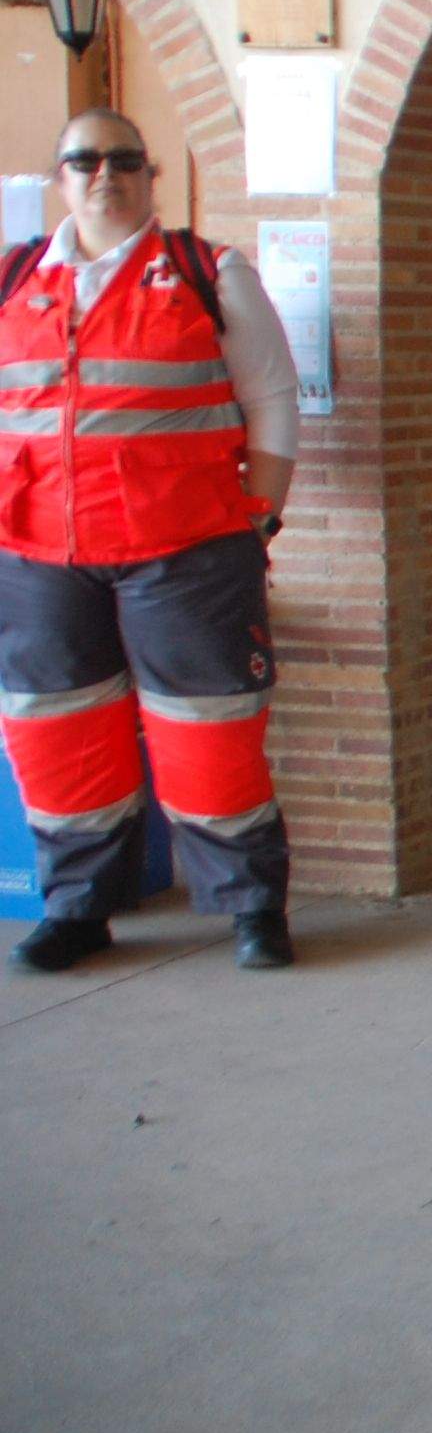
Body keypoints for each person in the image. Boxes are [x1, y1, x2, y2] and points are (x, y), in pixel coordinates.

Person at [1, 109, 303, 974]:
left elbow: (272, 399)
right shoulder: (16, 277)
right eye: (84, 161)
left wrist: (262, 517)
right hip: (37, 556)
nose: (105, 175)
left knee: (209, 734)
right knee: (58, 737)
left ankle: (251, 909)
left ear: (149, 173)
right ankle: (78, 909)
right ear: (60, 175)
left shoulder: (207, 271)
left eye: (123, 160)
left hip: (188, 550)